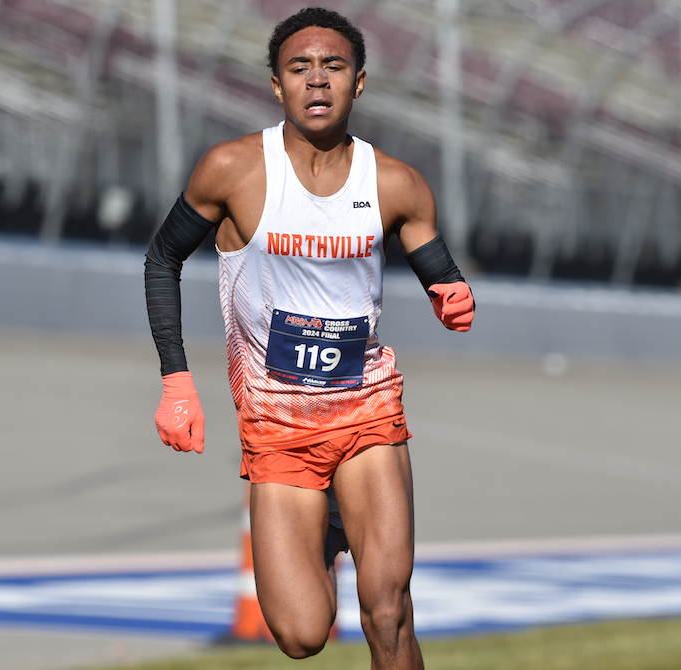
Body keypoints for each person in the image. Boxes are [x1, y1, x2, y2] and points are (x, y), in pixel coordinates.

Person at [144, 7, 474, 668]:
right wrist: (176, 379)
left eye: (333, 67)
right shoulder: (233, 169)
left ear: (359, 83)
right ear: (276, 85)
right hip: (277, 423)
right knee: (302, 635)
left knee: (387, 607)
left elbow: (436, 263)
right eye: (300, 68)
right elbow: (163, 259)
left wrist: (453, 292)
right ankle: (325, 525)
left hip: (366, 408)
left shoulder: (395, 183)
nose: (316, 81)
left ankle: (347, 522)